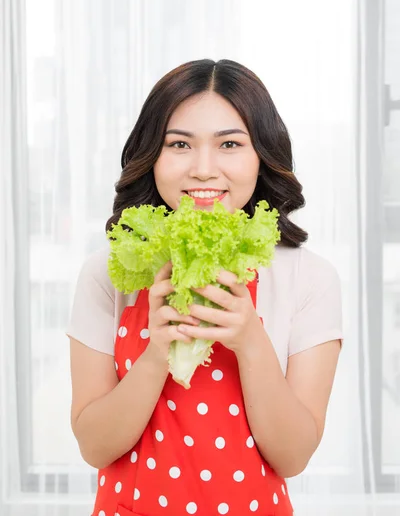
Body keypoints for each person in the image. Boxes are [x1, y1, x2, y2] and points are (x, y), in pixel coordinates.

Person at [66, 58, 343, 516]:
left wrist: (251, 341)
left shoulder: (309, 278)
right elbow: (95, 447)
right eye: (179, 144)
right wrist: (157, 351)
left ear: (262, 156)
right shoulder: (110, 273)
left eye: (230, 144)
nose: (203, 169)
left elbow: (293, 457)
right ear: (151, 156)